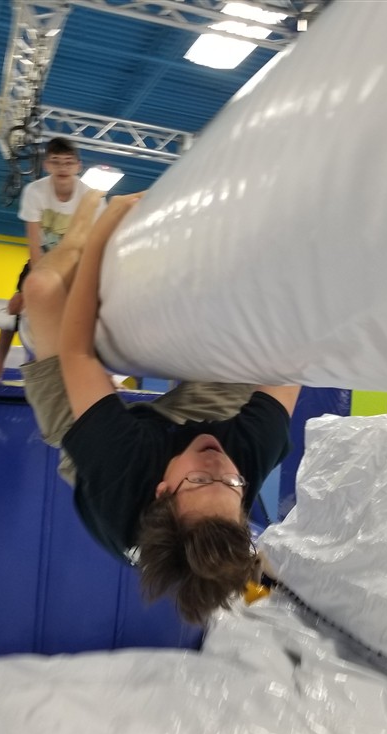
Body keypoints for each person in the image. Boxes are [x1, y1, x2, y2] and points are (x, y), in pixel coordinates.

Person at [20, 191, 300, 625]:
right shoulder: (239, 462)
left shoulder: (119, 470)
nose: (217, 465)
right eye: (230, 484)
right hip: (199, 432)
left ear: (164, 490)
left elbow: (79, 353)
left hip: (102, 458)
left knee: (41, 290)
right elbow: (293, 356)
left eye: (202, 479)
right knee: (254, 339)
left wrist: (103, 229)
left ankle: (77, 229)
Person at [0, 137, 98, 382]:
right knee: (15, 307)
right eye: (56, 162)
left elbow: (94, 242)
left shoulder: (91, 196)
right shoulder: (35, 191)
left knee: (88, 311)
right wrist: (36, 283)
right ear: (46, 165)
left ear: (78, 166)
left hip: (75, 262)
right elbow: (33, 244)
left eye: (68, 162)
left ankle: (103, 372)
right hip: (42, 260)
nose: (62, 168)